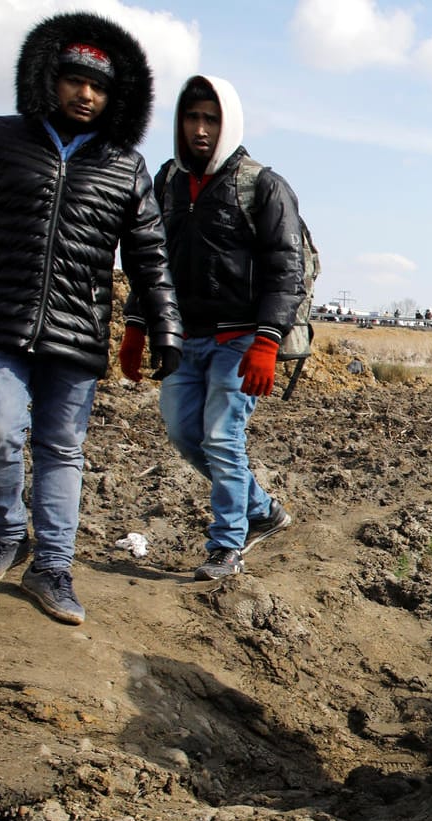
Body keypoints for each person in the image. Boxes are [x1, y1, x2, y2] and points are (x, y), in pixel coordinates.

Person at [0, 13, 181, 625]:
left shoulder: (125, 167)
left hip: (75, 332)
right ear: (46, 78)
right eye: (74, 79)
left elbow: (149, 255)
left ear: (118, 97)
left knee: (62, 448)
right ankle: (6, 536)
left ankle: (52, 568)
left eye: (99, 87)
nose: (85, 94)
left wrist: (165, 325)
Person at [122, 75, 301, 579]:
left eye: (211, 118)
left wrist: (267, 340)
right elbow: (148, 261)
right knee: (185, 434)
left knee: (222, 438)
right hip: (183, 338)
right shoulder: (165, 182)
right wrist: (138, 324)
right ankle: (262, 509)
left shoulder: (262, 185)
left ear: (229, 123)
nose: (200, 129)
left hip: (240, 338)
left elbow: (287, 268)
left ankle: (226, 544)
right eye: (192, 117)